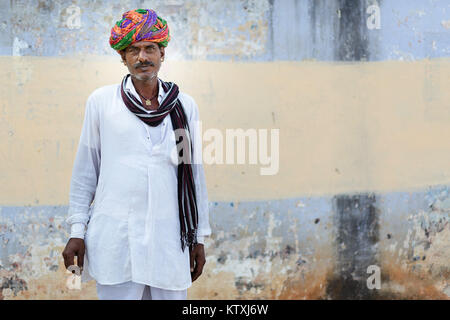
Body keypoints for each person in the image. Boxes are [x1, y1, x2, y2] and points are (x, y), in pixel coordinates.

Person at [61, 8, 211, 300]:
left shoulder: (184, 105)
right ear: (123, 57)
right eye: (134, 50)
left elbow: (194, 173)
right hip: (117, 241)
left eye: (150, 48)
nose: (143, 57)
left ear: (162, 53)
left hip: (169, 241)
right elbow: (85, 172)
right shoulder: (102, 103)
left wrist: (199, 237)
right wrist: (77, 230)